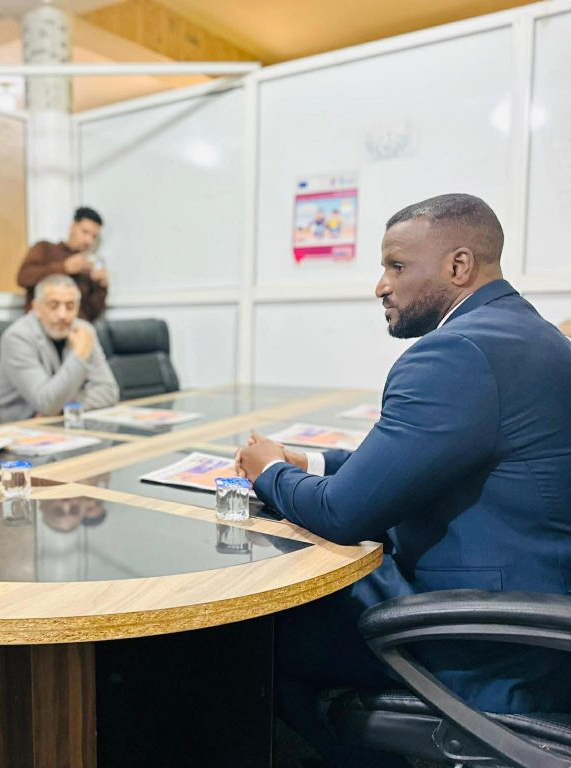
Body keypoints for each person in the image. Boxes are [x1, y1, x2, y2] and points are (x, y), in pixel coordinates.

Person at [236, 193, 571, 768]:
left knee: (254, 632)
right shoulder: (530, 335)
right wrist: (307, 462)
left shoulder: (455, 352)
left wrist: (267, 471)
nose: (381, 286)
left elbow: (342, 514)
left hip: (478, 633)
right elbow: (421, 460)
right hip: (537, 605)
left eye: (396, 266)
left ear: (458, 266)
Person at [0, 274, 118, 426]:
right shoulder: (17, 337)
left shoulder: (84, 332)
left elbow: (109, 392)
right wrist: (79, 355)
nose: (62, 315)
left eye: (70, 306)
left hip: (57, 425)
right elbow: (46, 403)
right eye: (53, 305)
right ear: (36, 308)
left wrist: (62, 408)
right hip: (7, 429)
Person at [16, 206, 109, 322]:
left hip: (74, 326)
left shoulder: (89, 265)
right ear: (73, 227)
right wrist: (64, 268)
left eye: (94, 237)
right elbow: (23, 278)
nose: (88, 241)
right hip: (41, 323)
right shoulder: (45, 249)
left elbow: (91, 313)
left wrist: (102, 286)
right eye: (85, 232)